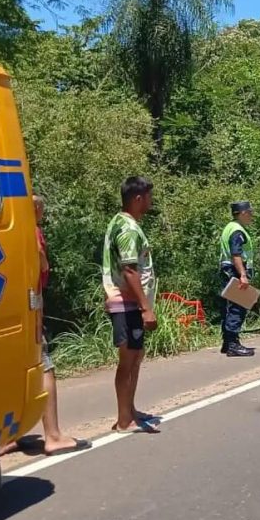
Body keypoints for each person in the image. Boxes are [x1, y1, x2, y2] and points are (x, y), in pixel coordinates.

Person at [0, 195, 92, 457]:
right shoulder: (30, 231)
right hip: (30, 309)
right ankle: (53, 435)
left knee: (7, 368)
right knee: (44, 366)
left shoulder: (5, 234)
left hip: (6, 309)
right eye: (39, 208)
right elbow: (40, 263)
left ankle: (4, 437)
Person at [102, 176, 159, 434]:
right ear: (138, 199)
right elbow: (129, 271)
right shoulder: (127, 229)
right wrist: (146, 307)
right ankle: (124, 419)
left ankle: (131, 410)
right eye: (148, 197)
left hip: (129, 303)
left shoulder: (123, 222)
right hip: (127, 304)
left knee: (135, 356)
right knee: (128, 359)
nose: (150, 201)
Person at [219, 201, 256, 357]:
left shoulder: (230, 227)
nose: (251, 216)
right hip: (235, 271)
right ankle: (233, 345)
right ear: (242, 213)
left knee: (230, 307)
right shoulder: (237, 231)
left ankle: (228, 343)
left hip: (228, 270)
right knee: (238, 307)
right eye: (250, 213)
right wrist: (242, 275)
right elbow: (236, 254)